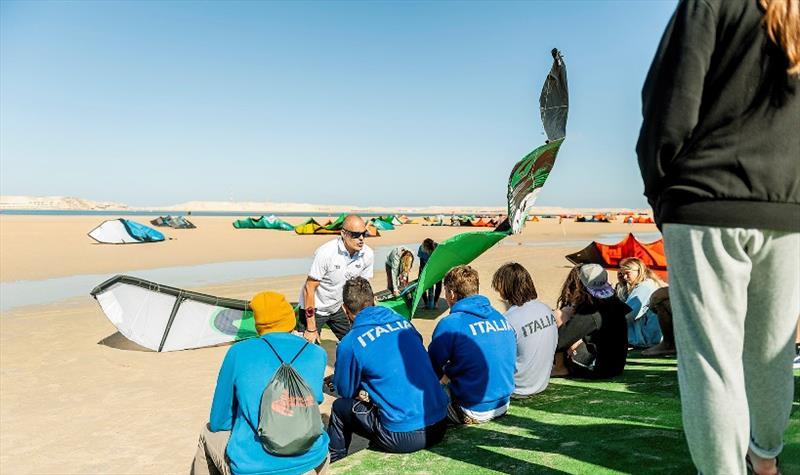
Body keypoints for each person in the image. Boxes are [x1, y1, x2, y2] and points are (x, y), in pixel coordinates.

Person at [637, 1, 799, 473]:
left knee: (713, 363)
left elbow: (670, 101)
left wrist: (660, 192)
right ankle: (766, 460)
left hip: (706, 199)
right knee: (772, 353)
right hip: (786, 206)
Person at [191, 292, 329, 475]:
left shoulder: (239, 352)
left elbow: (219, 421)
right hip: (313, 457)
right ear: (291, 318)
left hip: (255, 466)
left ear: (258, 324)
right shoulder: (317, 353)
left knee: (207, 433)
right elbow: (315, 401)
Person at [327, 277, 448, 462]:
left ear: (345, 309)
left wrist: (349, 381)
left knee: (339, 408)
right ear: (374, 300)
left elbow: (345, 391)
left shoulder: (350, 343)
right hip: (440, 422)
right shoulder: (404, 322)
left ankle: (335, 462)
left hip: (403, 436)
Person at [428, 265, 515, 424]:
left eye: (446, 292)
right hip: (503, 403)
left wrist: (445, 377)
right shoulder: (499, 317)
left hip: (471, 409)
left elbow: (430, 364)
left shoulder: (450, 324)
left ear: (452, 294)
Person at [297, 214, 374, 344]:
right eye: (355, 235)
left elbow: (363, 290)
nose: (361, 238)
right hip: (316, 307)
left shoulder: (367, 254)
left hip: (338, 307)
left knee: (357, 342)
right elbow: (309, 288)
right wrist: (311, 328)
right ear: (343, 233)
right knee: (307, 349)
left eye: (364, 234)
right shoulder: (326, 253)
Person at [551, 264, 631, 379]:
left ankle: (560, 368)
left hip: (597, 368)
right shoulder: (614, 301)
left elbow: (559, 342)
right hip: (616, 366)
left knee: (560, 314)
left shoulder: (591, 310)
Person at [491, 263, 558, 398]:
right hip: (541, 383)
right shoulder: (545, 309)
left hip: (517, 387)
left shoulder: (508, 319)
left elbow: (499, 358)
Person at [615, 257, 666, 348]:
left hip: (645, 338)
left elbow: (627, 315)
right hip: (651, 336)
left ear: (639, 271)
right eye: (623, 274)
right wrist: (622, 285)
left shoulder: (644, 287)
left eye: (627, 273)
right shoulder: (648, 284)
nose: (625, 277)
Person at [641, 287, 677, 357]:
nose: (624, 276)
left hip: (647, 339)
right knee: (661, 298)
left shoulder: (645, 286)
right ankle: (669, 344)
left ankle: (669, 344)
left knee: (662, 301)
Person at [417, 238, 443, 310]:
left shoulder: (437, 247)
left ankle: (435, 302)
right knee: (422, 285)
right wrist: (424, 274)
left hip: (437, 266)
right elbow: (421, 263)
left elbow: (441, 260)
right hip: (425, 266)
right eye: (427, 250)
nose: (428, 252)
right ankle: (426, 303)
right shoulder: (421, 249)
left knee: (438, 284)